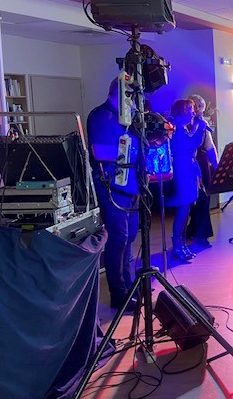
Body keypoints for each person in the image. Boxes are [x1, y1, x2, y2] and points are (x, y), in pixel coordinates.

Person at [87, 78, 140, 311]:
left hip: (132, 184)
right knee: (118, 239)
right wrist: (131, 150)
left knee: (129, 238)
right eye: (129, 95)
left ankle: (128, 285)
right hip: (111, 184)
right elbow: (99, 151)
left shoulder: (128, 118)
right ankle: (118, 294)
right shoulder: (100, 115)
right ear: (120, 93)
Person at [165, 99, 206, 263]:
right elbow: (192, 143)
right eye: (189, 109)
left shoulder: (182, 128)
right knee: (182, 208)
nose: (193, 112)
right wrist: (200, 128)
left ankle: (181, 245)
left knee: (186, 208)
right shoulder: (175, 129)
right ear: (181, 112)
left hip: (188, 170)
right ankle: (176, 246)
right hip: (182, 171)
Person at [185, 94, 218, 248]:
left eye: (201, 108)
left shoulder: (202, 123)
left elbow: (210, 147)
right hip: (190, 164)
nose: (200, 111)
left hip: (202, 163)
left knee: (202, 199)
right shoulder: (185, 123)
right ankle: (199, 234)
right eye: (197, 107)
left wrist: (217, 166)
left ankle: (196, 231)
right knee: (197, 199)